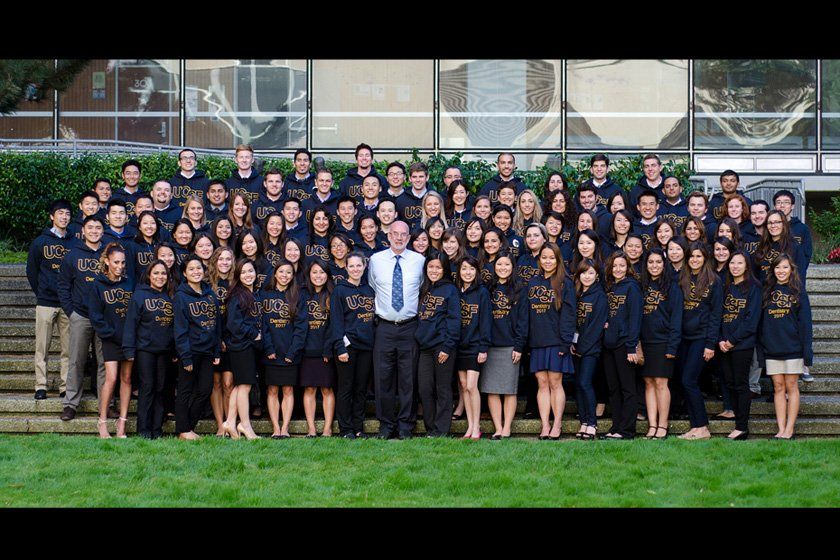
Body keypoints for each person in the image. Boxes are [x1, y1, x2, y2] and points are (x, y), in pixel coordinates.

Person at [367, 220, 425, 440]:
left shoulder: (419, 261)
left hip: (410, 326)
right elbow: (373, 286)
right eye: (395, 234)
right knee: (383, 379)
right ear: (388, 235)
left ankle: (405, 426)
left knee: (408, 379)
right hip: (384, 327)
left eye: (404, 234)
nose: (399, 238)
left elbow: (420, 287)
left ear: (409, 238)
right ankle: (386, 425)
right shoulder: (376, 260)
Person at [57, 215, 106, 421]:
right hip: (81, 315)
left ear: (103, 231)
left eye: (98, 228)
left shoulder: (109, 253)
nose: (94, 231)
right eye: (90, 228)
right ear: (83, 231)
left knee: (104, 363)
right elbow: (63, 285)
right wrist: (71, 312)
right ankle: (70, 404)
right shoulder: (72, 255)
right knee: (76, 361)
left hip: (104, 318)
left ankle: (105, 405)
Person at [759, 254, 812, 440]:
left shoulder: (798, 291)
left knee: (791, 386)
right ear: (773, 270)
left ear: (791, 270)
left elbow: (805, 323)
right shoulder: (766, 291)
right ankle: (780, 429)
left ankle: (790, 429)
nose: (781, 271)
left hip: (793, 347)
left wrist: (807, 352)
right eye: (778, 268)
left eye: (785, 267)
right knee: (778, 387)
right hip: (772, 347)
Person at [527, 242, 576, 440]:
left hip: (557, 340)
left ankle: (557, 425)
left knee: (555, 382)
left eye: (551, 258)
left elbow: (569, 314)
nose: (548, 261)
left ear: (558, 260)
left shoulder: (565, 282)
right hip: (537, 340)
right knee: (542, 382)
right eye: (544, 258)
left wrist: (566, 341)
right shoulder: (532, 282)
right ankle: (545, 425)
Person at [27, 199, 73, 400]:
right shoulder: (40, 242)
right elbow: (32, 271)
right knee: (42, 348)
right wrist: (42, 292)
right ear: (52, 216)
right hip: (46, 302)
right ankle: (41, 386)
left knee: (68, 349)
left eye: (67, 214)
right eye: (60, 213)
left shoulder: (74, 243)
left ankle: (65, 386)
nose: (64, 217)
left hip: (67, 304)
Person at [123, 260, 174, 439]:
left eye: (163, 274)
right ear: (149, 275)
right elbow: (131, 324)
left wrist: (174, 349)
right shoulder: (139, 296)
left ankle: (157, 429)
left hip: (165, 350)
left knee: (160, 388)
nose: (160, 277)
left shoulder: (170, 297)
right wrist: (129, 349)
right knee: (148, 387)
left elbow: (174, 326)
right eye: (156, 273)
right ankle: (143, 430)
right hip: (145, 349)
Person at [88, 243, 135, 438]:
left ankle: (122, 424)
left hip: (129, 339)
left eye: (123, 262)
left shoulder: (129, 283)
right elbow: (95, 315)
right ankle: (102, 422)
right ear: (107, 261)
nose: (120, 266)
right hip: (110, 338)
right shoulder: (98, 285)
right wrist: (111, 333)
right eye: (116, 262)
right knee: (111, 379)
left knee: (127, 379)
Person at [677, 242, 723, 440]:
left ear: (705, 258)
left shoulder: (714, 281)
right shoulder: (682, 278)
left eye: (698, 256)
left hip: (701, 338)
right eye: (691, 256)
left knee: (689, 380)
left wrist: (710, 344)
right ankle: (695, 426)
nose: (694, 259)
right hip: (684, 338)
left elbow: (716, 314)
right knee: (684, 381)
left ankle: (703, 427)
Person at [173, 255, 222, 440]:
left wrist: (216, 349)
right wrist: (185, 356)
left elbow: (217, 325)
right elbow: (180, 329)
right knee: (185, 390)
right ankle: (183, 429)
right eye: (191, 269)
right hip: (190, 351)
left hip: (208, 351)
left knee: (205, 389)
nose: (196, 272)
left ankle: (188, 427)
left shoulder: (210, 294)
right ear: (185, 273)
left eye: (199, 268)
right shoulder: (180, 296)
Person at [481, 252, 527, 440]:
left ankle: (507, 427)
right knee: (492, 388)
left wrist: (519, 345)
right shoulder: (487, 289)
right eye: (499, 264)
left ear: (512, 266)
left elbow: (523, 320)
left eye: (507, 264)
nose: (502, 268)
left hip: (510, 346)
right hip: (491, 345)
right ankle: (498, 427)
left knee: (509, 389)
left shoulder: (519, 289)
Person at [330, 252, 376, 439]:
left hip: (366, 347)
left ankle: (358, 427)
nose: (356, 269)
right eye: (352, 266)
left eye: (359, 266)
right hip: (347, 348)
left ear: (364, 267)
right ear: (346, 268)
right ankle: (346, 429)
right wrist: (340, 347)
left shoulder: (369, 290)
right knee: (346, 388)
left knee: (360, 389)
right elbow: (336, 321)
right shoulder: (339, 291)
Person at [260, 260, 307, 439]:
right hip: (271, 352)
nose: (285, 276)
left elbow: (301, 327)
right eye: (281, 272)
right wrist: (268, 348)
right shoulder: (265, 295)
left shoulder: (298, 295)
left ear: (293, 275)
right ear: (275, 273)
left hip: (290, 352)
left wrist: (292, 351)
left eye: (288, 272)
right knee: (272, 389)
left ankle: (285, 428)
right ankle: (275, 428)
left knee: (288, 390)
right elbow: (263, 324)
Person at [639, 248, 683, 440]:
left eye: (658, 262)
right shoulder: (641, 286)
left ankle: (663, 426)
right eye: (651, 262)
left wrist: (673, 346)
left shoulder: (672, 287)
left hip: (664, 341)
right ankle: (652, 425)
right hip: (645, 341)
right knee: (648, 383)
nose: (654, 266)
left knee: (661, 383)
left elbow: (676, 319)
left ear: (664, 264)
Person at [415, 254, 460, 437]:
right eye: (431, 267)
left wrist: (447, 347)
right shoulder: (424, 289)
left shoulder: (450, 290)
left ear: (445, 270)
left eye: (438, 268)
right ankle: (431, 427)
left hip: (443, 346)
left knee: (443, 388)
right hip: (424, 347)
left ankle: (441, 430)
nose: (434, 271)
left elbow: (454, 320)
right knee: (425, 388)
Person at [719, 251, 762, 440]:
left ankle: (742, 427)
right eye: (732, 263)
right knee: (729, 383)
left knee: (741, 384)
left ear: (747, 266)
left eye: (739, 263)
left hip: (742, 345)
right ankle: (738, 421)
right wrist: (721, 339)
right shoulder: (726, 286)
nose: (735, 266)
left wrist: (731, 341)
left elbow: (750, 321)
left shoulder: (754, 287)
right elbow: (718, 315)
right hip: (723, 344)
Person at [601, 251, 643, 440]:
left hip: (624, 344)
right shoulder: (610, 287)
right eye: (615, 266)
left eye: (622, 266)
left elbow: (635, 318)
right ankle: (616, 427)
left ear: (628, 268)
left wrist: (631, 346)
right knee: (613, 388)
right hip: (608, 345)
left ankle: (627, 430)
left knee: (627, 389)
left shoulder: (632, 287)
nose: (618, 269)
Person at [224, 258, 263, 440]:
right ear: (238, 275)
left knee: (241, 386)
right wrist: (253, 334)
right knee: (245, 386)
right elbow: (233, 324)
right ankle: (245, 424)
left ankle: (230, 422)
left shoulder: (253, 293)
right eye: (244, 272)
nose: (248, 275)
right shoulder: (237, 295)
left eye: (251, 271)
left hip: (248, 346)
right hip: (241, 346)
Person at [454, 256, 491, 440]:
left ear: (476, 272)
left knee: (471, 385)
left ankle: (477, 427)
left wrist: (483, 347)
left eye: (471, 269)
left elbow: (485, 321)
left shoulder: (482, 292)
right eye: (464, 269)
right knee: (463, 386)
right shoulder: (456, 293)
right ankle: (469, 427)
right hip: (459, 346)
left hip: (475, 345)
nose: (467, 272)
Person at [571, 258, 607, 440]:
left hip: (590, 349)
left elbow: (596, 326)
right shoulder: (576, 294)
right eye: (584, 272)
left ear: (597, 276)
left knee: (585, 383)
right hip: (575, 347)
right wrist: (572, 344)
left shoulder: (599, 296)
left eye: (591, 273)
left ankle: (592, 423)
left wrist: (582, 348)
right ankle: (584, 421)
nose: (587, 276)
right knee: (578, 384)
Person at [299, 259, 336, 437]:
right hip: (307, 349)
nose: (318, 276)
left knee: (327, 388)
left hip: (325, 350)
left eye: (322, 272)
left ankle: (327, 428)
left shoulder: (333, 294)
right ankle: (311, 428)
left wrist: (328, 349)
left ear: (327, 275)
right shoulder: (302, 293)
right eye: (314, 272)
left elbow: (334, 325)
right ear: (309, 274)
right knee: (309, 389)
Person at [207, 247, 235, 437]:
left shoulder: (236, 283)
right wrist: (217, 340)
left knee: (228, 384)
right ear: (215, 261)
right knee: (215, 383)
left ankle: (229, 422)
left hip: (232, 339)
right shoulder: (207, 284)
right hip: (213, 339)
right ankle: (219, 425)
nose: (224, 262)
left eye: (228, 259)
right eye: (221, 259)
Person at [774, 189, 813, 280]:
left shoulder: (802, 229)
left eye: (786, 202)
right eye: (778, 202)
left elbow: (806, 255)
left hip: (795, 277)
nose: (782, 206)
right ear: (775, 206)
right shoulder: (770, 228)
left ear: (792, 206)